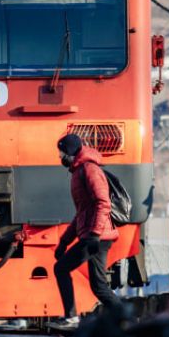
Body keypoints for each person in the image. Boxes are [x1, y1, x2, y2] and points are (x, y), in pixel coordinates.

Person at [53, 133, 123, 325]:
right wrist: (64, 242)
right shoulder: (79, 172)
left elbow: (103, 202)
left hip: (97, 236)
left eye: (61, 153)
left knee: (61, 268)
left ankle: (71, 316)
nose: (60, 157)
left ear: (70, 152)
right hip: (95, 235)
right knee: (99, 286)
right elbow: (82, 213)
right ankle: (127, 320)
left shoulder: (89, 170)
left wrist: (94, 234)